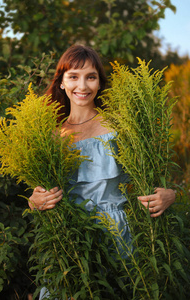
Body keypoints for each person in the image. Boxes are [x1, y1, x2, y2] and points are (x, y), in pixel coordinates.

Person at [28, 45, 176, 298]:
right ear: (62, 83)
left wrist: (170, 194)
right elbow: (38, 195)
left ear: (99, 83)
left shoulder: (120, 125)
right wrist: (35, 201)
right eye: (73, 76)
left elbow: (154, 176)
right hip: (70, 239)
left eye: (91, 77)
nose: (82, 86)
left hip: (117, 234)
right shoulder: (50, 136)